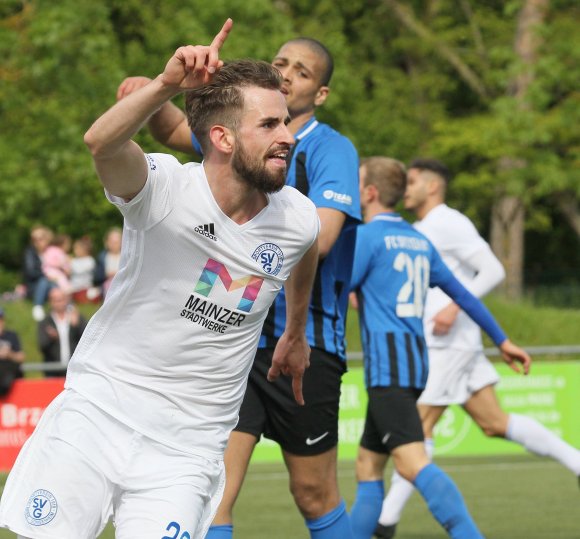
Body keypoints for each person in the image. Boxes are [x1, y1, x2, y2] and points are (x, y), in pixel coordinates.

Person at [0, 19, 321, 539]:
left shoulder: (298, 218)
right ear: (221, 136)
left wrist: (296, 331)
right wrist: (167, 85)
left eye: (286, 123)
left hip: (187, 448)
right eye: (269, 126)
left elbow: (301, 254)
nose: (287, 137)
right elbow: (101, 144)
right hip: (98, 414)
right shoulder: (165, 188)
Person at [118, 36, 360, 539]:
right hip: (233, 345)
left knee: (314, 494)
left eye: (303, 71)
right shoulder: (243, 137)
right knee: (213, 492)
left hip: (306, 345)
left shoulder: (329, 149)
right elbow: (181, 132)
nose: (289, 74)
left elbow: (321, 237)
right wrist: (155, 92)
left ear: (320, 95)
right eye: (281, 64)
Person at [376, 158, 580, 538]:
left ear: (433, 187)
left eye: (414, 180)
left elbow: (494, 270)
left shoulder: (449, 221)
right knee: (494, 423)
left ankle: (385, 520)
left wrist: (454, 307)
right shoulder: (421, 227)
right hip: (450, 343)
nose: (406, 186)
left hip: (448, 343)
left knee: (417, 428)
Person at [348, 157, 532, 539]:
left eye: (358, 181)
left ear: (370, 192)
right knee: (367, 465)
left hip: (388, 367)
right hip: (417, 362)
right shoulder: (419, 240)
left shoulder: (367, 238)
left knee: (413, 463)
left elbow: (338, 291)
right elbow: (463, 295)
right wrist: (503, 340)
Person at [37, 288, 87, 378]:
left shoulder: (76, 317)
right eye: (55, 300)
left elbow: (87, 341)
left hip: (75, 370)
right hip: (53, 371)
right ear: (50, 302)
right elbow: (42, 346)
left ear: (66, 300)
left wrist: (77, 326)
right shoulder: (45, 322)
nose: (58, 303)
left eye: (61, 300)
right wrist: (51, 338)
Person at [22, 225, 54, 321]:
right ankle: (38, 306)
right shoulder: (29, 253)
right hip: (34, 286)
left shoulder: (52, 252)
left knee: (56, 285)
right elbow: (30, 272)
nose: (37, 241)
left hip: (51, 283)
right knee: (44, 281)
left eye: (40, 238)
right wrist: (46, 275)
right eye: (34, 239)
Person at [0, 307, 25, 397]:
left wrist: (9, 354)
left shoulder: (11, 336)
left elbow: (21, 357)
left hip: (9, 378)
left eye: (1, 319)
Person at [93, 227, 122, 298]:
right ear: (107, 242)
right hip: (107, 283)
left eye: (116, 242)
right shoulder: (102, 257)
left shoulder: (126, 256)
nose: (114, 245)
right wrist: (106, 274)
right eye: (111, 242)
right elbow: (97, 276)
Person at [70, 236, 100, 304]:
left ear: (85, 250)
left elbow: (79, 270)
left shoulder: (89, 260)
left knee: (93, 293)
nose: (75, 251)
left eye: (77, 249)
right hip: (75, 287)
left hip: (86, 286)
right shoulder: (74, 260)